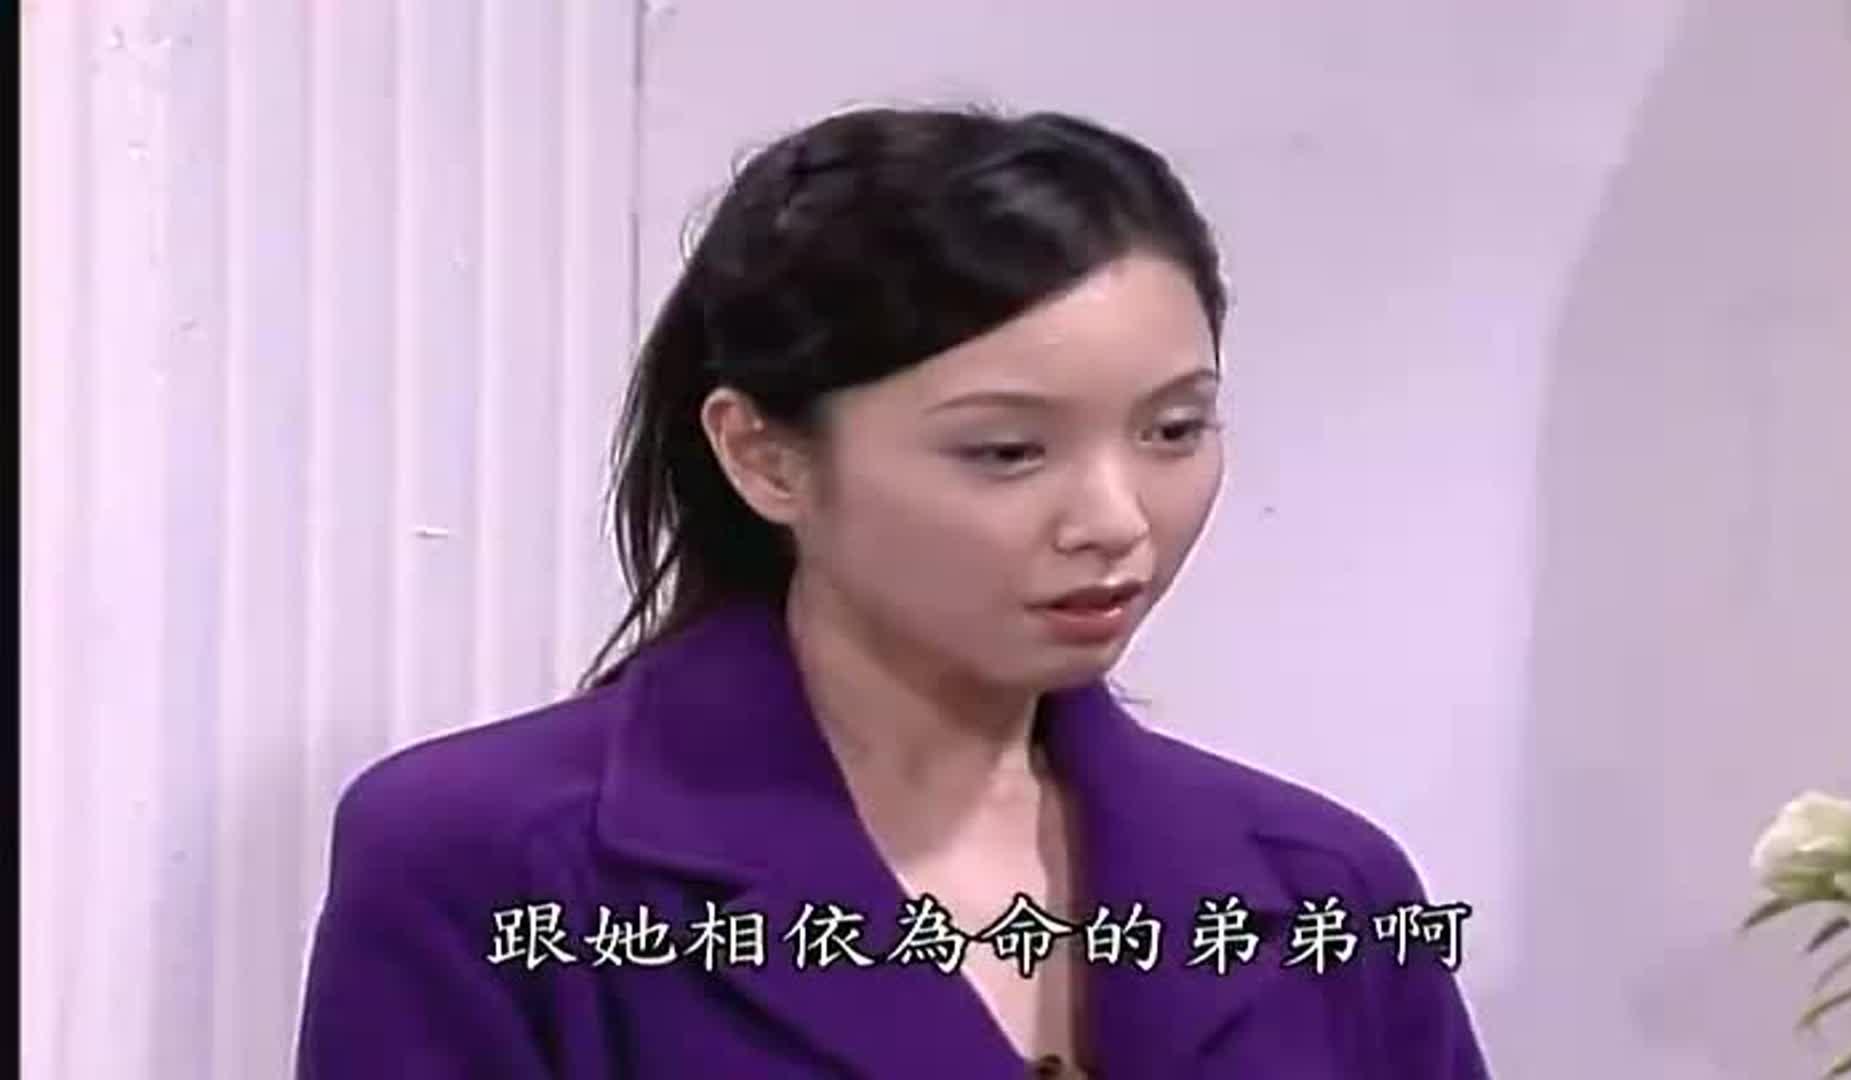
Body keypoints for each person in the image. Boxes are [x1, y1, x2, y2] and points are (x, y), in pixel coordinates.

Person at [294, 104, 1492, 1079]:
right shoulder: (487, 861)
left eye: (1174, 430)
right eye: (1007, 450)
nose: (1117, 519)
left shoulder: (1324, 888)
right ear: (765, 457)